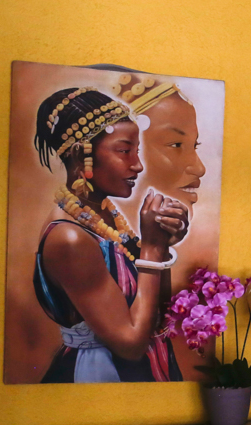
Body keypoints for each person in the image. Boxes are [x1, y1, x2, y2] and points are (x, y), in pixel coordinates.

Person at [32, 86, 189, 383]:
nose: (138, 165)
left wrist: (164, 244)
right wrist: (152, 249)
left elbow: (157, 310)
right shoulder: (70, 239)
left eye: (136, 151)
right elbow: (131, 345)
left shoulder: (106, 215)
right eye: (123, 150)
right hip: (102, 375)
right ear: (83, 156)